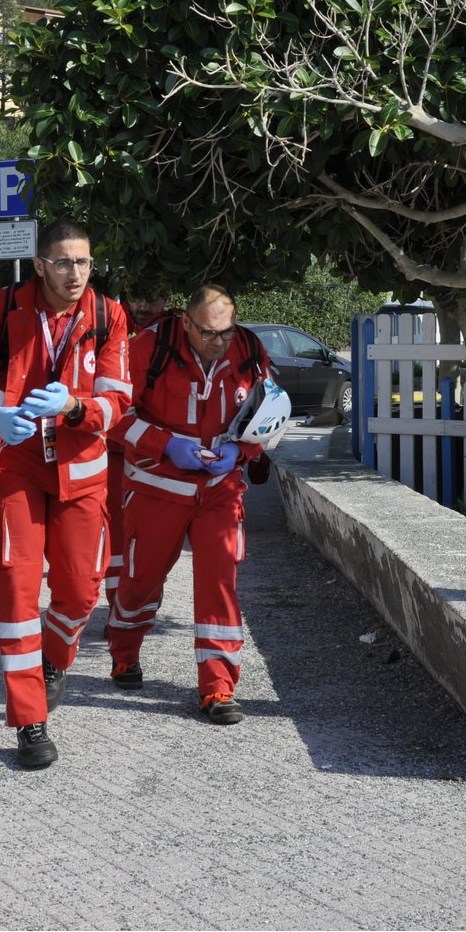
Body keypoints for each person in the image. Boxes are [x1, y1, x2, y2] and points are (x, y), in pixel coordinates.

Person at [0, 220, 131, 769]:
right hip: (15, 468)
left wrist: (74, 408)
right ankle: (29, 720)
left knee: (80, 591)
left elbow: (118, 401)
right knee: (18, 596)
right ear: (41, 264)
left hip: (81, 468)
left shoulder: (107, 314)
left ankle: (55, 658)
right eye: (65, 263)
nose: (76, 273)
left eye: (85, 262)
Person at [108, 284, 275, 725]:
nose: (217, 342)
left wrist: (240, 454)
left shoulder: (250, 351)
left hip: (219, 490)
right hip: (156, 487)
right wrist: (167, 445)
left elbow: (269, 415)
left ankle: (218, 687)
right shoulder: (147, 348)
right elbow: (114, 415)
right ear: (186, 322)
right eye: (207, 332)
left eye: (225, 331)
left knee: (220, 581)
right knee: (141, 580)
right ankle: (124, 651)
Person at [102, 287, 173, 621]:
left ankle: (143, 599)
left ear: (167, 294)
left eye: (153, 296)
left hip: (154, 453)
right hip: (113, 449)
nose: (145, 304)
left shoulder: (174, 331)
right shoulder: (111, 323)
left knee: (149, 536)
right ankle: (118, 605)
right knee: (117, 534)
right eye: (137, 296)